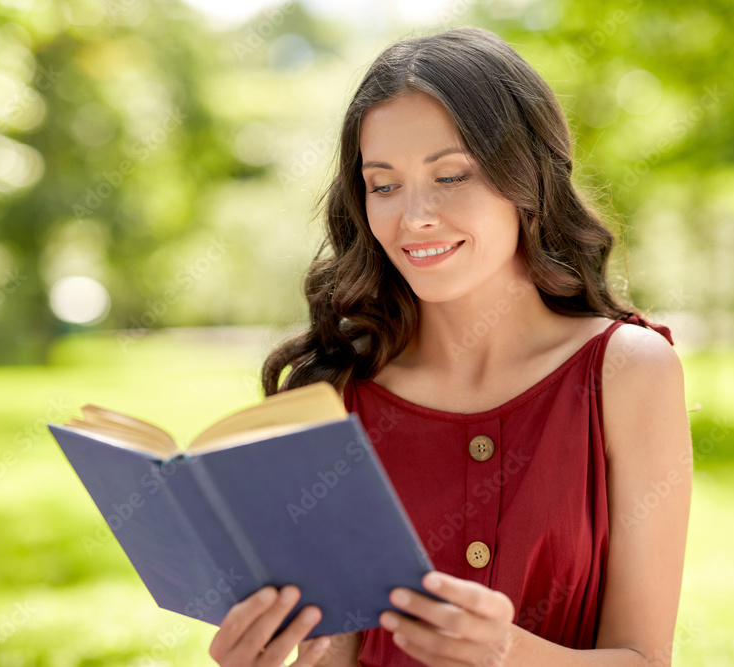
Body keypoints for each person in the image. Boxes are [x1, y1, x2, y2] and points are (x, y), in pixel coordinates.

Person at [209, 25, 692, 667]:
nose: (414, 217)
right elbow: (336, 655)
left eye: (451, 175)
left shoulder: (628, 372)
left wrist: (505, 652)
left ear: (527, 177)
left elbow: (644, 657)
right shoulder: (341, 391)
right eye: (384, 185)